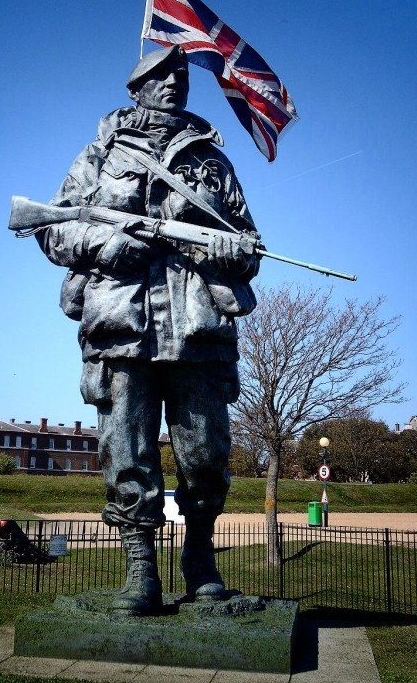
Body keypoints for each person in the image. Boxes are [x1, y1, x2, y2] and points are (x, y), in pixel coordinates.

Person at [36, 45, 260, 615]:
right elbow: (53, 229)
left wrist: (236, 252)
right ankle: (141, 570)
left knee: (206, 455)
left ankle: (201, 561)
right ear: (136, 87)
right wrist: (109, 244)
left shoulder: (212, 162)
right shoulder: (100, 155)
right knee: (126, 452)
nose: (173, 83)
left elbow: (249, 246)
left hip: (197, 329)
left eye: (181, 75)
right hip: (121, 326)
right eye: (159, 74)